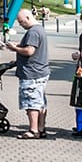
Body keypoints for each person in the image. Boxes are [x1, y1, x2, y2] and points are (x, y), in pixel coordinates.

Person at [6, 8, 50, 138]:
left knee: (32, 102)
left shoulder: (33, 32)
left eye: (21, 22)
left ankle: (33, 130)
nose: (21, 24)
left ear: (28, 17)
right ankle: (41, 128)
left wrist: (15, 48)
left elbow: (30, 51)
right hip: (40, 71)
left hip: (32, 73)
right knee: (40, 102)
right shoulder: (39, 29)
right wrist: (19, 48)